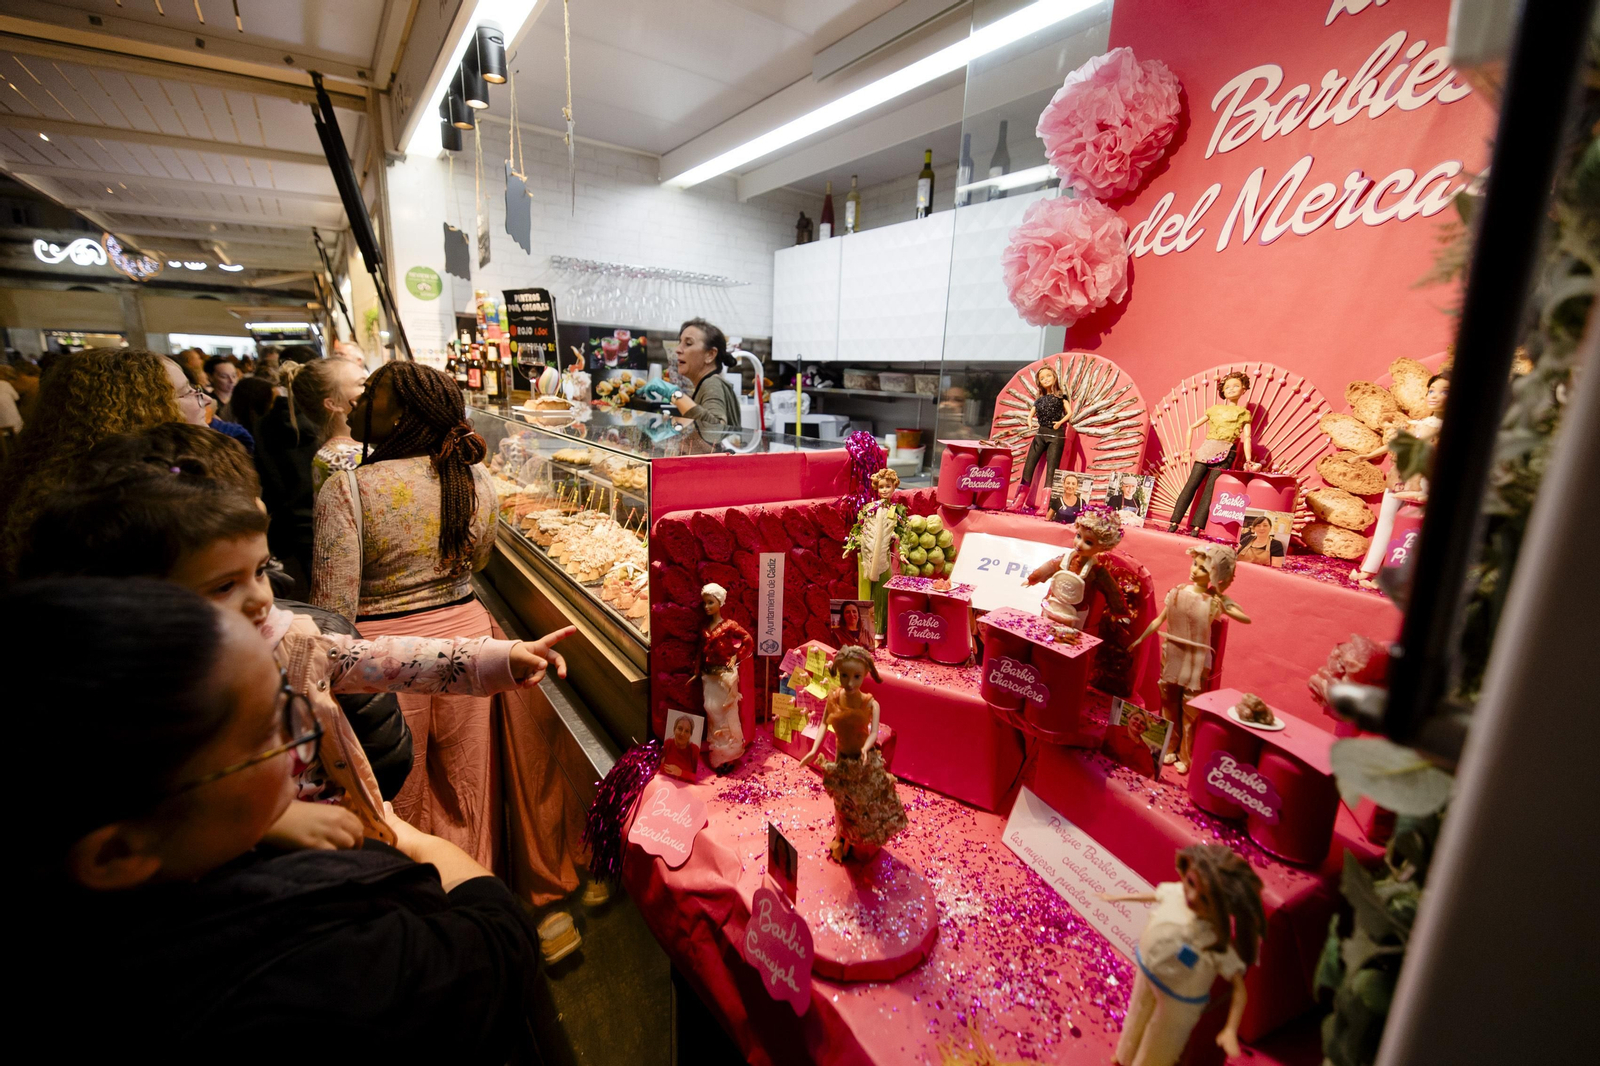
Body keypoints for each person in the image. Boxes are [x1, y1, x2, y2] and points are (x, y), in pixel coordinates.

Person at [12, 577, 545, 1060]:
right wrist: (416, 842)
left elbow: (377, 658)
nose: (297, 748)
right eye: (265, 735)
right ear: (116, 853)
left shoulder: (184, 849)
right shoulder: (306, 979)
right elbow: (495, 946)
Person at [19, 460, 570, 853]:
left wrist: (499, 657)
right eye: (223, 586)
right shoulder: (115, 709)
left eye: (260, 571)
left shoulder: (289, 641)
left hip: (356, 829)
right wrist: (269, 824)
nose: (261, 596)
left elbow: (384, 660)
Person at [314, 361, 554, 865]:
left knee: (395, 796)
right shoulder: (475, 478)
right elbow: (480, 558)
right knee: (468, 788)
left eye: (372, 392)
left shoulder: (347, 488)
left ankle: (415, 901)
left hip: (378, 659)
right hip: (470, 640)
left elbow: (332, 609)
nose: (358, 401)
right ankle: (472, 888)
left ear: (402, 410)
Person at [0, 348, 180, 577]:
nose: (205, 399)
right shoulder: (118, 497)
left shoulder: (47, 475)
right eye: (186, 393)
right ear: (148, 410)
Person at [1101, 845, 1264, 1066]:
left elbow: (1239, 990)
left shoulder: (1216, 942)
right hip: (1147, 970)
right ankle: (1123, 1057)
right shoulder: (1177, 894)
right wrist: (1117, 898)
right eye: (1190, 882)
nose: (1193, 896)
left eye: (1206, 899)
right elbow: (1155, 894)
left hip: (1180, 998)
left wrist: (1230, 1029)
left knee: (1161, 1040)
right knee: (1136, 1017)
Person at [798, 644, 908, 864]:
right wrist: (813, 749)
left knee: (860, 805)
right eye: (844, 676)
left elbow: (874, 732)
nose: (849, 683)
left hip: (861, 760)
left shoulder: (871, 704)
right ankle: (840, 837)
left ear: (866, 674)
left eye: (856, 677)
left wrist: (867, 748)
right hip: (840, 758)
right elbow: (822, 725)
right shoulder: (835, 698)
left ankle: (853, 840)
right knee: (840, 800)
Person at [1168, 371, 1258, 534]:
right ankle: (1174, 521)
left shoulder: (1244, 414)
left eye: (1236, 386)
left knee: (1211, 489)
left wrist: (1249, 458)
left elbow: (1247, 437)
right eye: (1227, 387)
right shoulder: (1215, 409)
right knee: (1191, 484)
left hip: (1227, 450)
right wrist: (1187, 448)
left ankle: (1197, 526)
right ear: (1222, 391)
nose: (1231, 389)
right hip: (1208, 448)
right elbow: (1192, 427)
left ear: (1244, 389)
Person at [290, 358, 368, 498]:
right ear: (333, 404)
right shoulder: (345, 458)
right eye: (362, 383)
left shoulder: (340, 451)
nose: (373, 387)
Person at [698, 582, 753, 773]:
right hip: (709, 676)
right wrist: (696, 672)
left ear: (720, 602)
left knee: (728, 715)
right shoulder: (704, 629)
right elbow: (700, 653)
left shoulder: (729, 626)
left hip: (725, 677)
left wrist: (737, 657)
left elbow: (748, 640)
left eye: (710, 603)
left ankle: (730, 755)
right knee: (712, 712)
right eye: (705, 603)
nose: (707, 607)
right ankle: (717, 755)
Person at [667, 318, 741, 429]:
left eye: (688, 343)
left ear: (710, 355)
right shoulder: (706, 384)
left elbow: (716, 429)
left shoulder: (712, 384)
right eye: (680, 343)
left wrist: (674, 394)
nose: (678, 349)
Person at [204, 354, 241, 420]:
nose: (231, 381)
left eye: (234, 376)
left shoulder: (241, 400)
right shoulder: (209, 403)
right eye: (224, 377)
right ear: (210, 377)